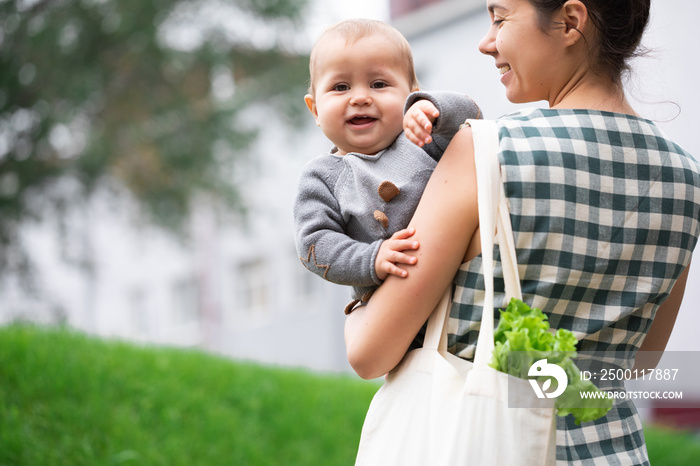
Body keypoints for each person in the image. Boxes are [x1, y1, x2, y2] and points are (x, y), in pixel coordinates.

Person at [345, 1, 700, 464]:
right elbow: (637, 367)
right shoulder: (685, 178)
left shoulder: (488, 150)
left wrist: (356, 300)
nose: (486, 42)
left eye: (500, 17)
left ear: (571, 21)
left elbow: (371, 353)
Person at [294, 19, 481, 313]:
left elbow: (473, 121)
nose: (360, 98)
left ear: (411, 92)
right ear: (315, 109)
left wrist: (428, 109)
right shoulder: (323, 177)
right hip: (396, 303)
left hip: (469, 283)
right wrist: (372, 258)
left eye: (379, 84)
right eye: (341, 87)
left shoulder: (422, 136)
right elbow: (314, 244)